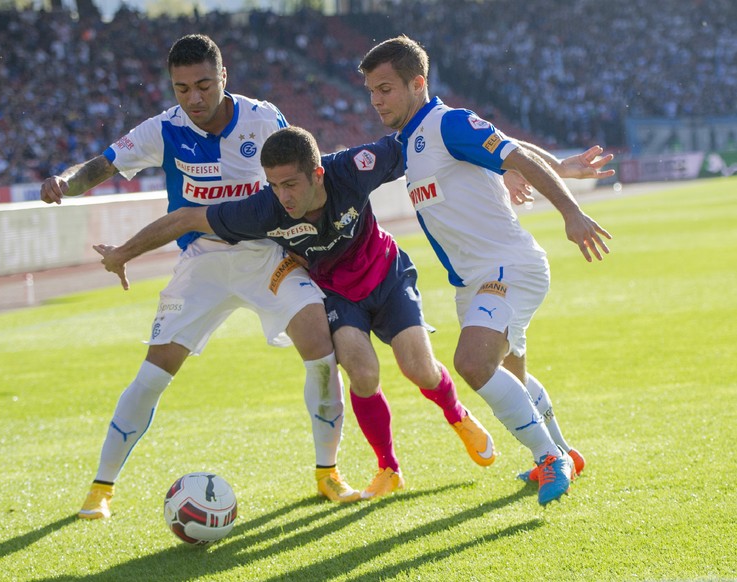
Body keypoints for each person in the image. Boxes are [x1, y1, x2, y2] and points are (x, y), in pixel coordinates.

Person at [40, 34, 359, 518]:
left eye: (204, 85)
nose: (193, 98)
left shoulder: (263, 118)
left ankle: (327, 474)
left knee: (320, 349)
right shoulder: (162, 129)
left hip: (266, 256)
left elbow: (297, 171)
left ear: (223, 77)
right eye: (181, 88)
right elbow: (103, 164)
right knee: (151, 375)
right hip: (201, 264)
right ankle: (100, 490)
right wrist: (66, 181)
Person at [93, 126, 497, 500]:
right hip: (338, 294)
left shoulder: (352, 169)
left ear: (317, 174)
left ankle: (457, 415)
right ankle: (389, 468)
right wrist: (123, 253)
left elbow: (420, 141)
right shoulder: (263, 209)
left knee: (418, 368)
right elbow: (186, 218)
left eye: (290, 184)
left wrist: (504, 168)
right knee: (363, 371)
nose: (282, 195)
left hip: (386, 275)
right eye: (273, 184)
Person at [358, 36, 614, 505]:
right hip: (473, 281)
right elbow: (507, 144)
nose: (376, 100)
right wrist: (556, 161)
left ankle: (547, 458)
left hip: (508, 266)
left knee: (472, 364)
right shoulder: (408, 141)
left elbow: (509, 153)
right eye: (372, 91)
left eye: (386, 89)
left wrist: (570, 210)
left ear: (418, 84)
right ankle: (563, 450)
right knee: (508, 372)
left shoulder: (446, 123)